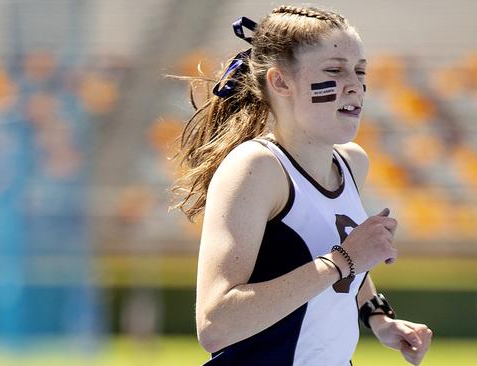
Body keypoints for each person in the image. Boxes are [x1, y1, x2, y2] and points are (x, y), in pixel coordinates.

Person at [171, 5, 433, 365]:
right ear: (280, 82)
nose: (355, 85)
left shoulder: (352, 162)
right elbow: (216, 324)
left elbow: (333, 256)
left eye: (359, 71)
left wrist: (378, 317)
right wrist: (345, 259)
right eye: (334, 70)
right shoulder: (256, 167)